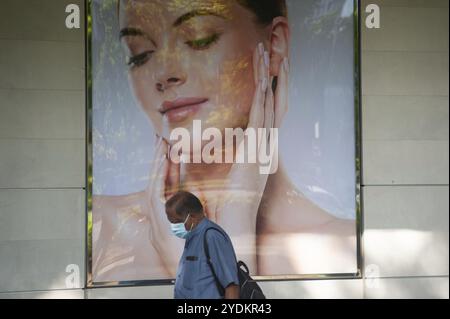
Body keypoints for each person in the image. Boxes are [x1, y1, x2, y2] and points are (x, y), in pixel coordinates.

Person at [92, 0, 357, 282]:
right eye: (140, 55)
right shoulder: (104, 224)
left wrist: (229, 228)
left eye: (199, 38)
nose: (162, 73)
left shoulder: (344, 247)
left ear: (274, 44)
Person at [165, 191, 240, 299]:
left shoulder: (212, 236)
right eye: (171, 222)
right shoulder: (192, 236)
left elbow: (231, 286)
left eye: (176, 222)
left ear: (192, 217)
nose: (173, 226)